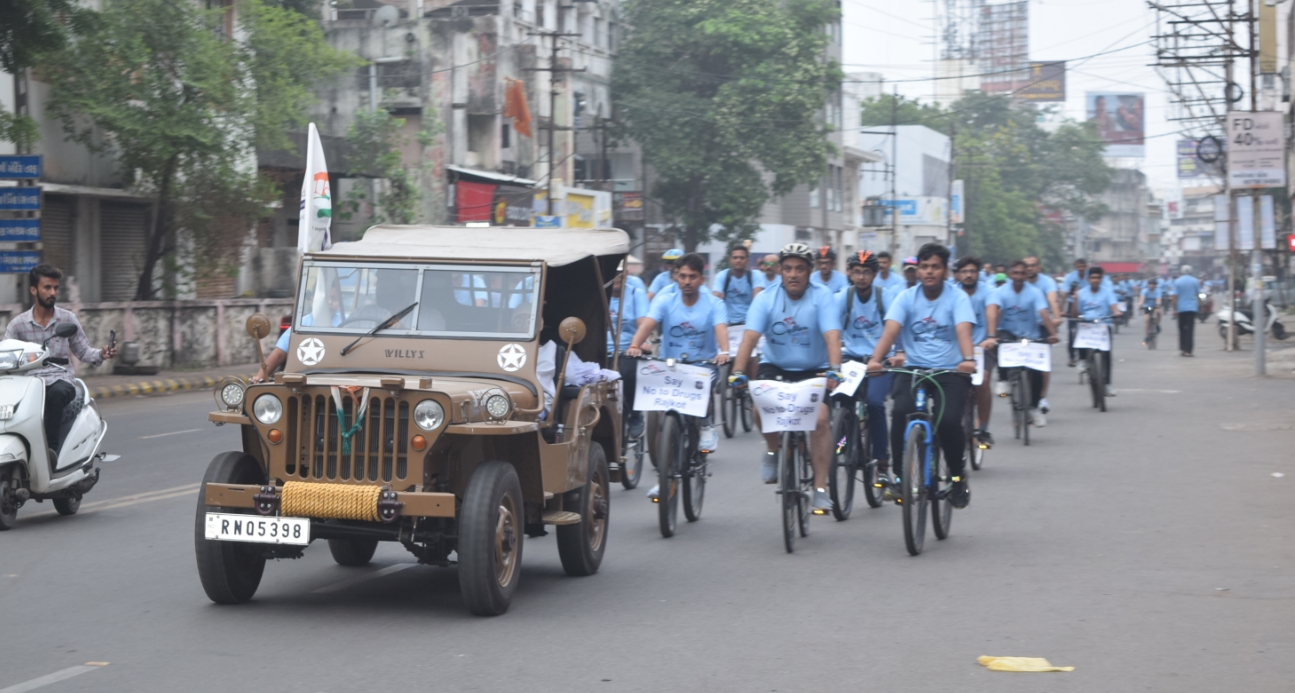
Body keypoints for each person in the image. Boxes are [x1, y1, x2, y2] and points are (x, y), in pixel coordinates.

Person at [730, 242, 844, 513]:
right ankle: (773, 450)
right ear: (780, 271)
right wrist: (736, 372)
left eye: (800, 269)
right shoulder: (766, 298)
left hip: (814, 370)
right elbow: (750, 338)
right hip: (775, 367)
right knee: (757, 406)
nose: (794, 274)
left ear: (809, 272)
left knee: (820, 421)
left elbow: (832, 336)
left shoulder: (823, 296)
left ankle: (819, 488)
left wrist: (835, 368)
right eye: (788, 269)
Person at [867, 243, 975, 509]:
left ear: (945, 271)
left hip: (950, 371)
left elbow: (963, 331)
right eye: (924, 267)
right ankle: (901, 476)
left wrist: (968, 360)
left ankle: (957, 475)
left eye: (935, 267)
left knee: (949, 422)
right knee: (900, 411)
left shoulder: (957, 297)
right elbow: (891, 331)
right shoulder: (906, 298)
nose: (929, 272)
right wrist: (875, 359)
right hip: (912, 368)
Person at [627, 253, 730, 497]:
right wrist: (635, 344)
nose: (686, 281)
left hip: (703, 365)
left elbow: (720, 329)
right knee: (666, 421)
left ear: (701, 279)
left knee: (702, 383)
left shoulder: (714, 304)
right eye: (682, 276)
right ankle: (664, 477)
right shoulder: (666, 300)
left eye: (692, 277)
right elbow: (648, 324)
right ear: (676, 277)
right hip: (671, 367)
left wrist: (724, 351)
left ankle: (706, 427)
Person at [5, 264, 117, 449]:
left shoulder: (67, 319)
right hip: (28, 385)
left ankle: (51, 452)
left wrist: (102, 354)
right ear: (34, 290)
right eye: (47, 287)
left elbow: (83, 351)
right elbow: (7, 354)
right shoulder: (18, 325)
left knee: (55, 395)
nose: (52, 292)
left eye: (55, 288)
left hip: (59, 380)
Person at [836, 250, 894, 478]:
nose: (861, 277)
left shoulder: (884, 297)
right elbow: (829, 325)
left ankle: (881, 461)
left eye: (866, 272)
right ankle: (840, 443)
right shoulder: (843, 297)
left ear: (875, 274)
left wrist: (896, 353)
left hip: (879, 362)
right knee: (840, 402)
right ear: (849, 273)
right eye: (857, 272)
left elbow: (893, 326)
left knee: (874, 404)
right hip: (850, 359)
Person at [985, 261, 1058, 427]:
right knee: (1002, 344)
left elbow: (1044, 314)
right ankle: (1003, 379)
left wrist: (1053, 334)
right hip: (1008, 331)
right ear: (1011, 275)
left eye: (1021, 273)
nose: (1018, 277)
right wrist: (991, 335)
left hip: (1029, 335)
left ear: (1026, 275)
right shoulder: (1001, 292)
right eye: (1015, 273)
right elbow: (994, 313)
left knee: (1037, 373)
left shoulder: (1035, 292)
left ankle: (1034, 407)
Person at [954, 256, 998, 446]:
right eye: (964, 271)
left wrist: (990, 335)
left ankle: (983, 428)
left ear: (978, 274)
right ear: (958, 274)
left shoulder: (989, 291)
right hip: (955, 349)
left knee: (984, 380)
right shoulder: (951, 292)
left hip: (981, 347)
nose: (969, 275)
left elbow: (991, 312)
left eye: (972, 271)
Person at [609, 269, 649, 440]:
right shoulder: (598, 293)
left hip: (628, 349)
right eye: (613, 271)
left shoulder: (635, 293)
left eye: (619, 272)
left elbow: (643, 322)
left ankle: (635, 415)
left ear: (625, 273)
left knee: (629, 372)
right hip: (601, 350)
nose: (616, 276)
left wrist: (642, 342)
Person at [1070, 266, 1122, 396]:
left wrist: (1116, 312)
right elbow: (1075, 313)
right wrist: (1075, 299)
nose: (1095, 280)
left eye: (1098, 278)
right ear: (1088, 279)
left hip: (1103, 326)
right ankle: (1081, 360)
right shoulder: (1081, 293)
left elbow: (1113, 306)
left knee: (1107, 355)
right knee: (1078, 332)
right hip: (1087, 326)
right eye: (1093, 278)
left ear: (1101, 279)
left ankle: (1107, 384)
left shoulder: (1107, 292)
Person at [1022, 256, 1060, 413]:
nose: (1029, 268)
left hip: (1041, 325)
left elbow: (1052, 301)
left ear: (1039, 267)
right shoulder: (1017, 284)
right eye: (1026, 266)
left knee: (1042, 364)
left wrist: (1057, 317)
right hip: (1020, 327)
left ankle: (1042, 397)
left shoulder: (1047, 283)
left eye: (1033, 266)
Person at [712, 244, 762, 325]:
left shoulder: (755, 275)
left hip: (749, 323)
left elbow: (759, 301)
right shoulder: (722, 275)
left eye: (742, 258)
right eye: (735, 258)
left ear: (747, 260)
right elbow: (715, 300)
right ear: (730, 260)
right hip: (727, 323)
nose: (738, 260)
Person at [1171, 264, 1201, 356]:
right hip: (1192, 308)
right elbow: (1198, 294)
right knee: (1190, 330)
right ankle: (1189, 350)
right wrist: (1200, 305)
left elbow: (1175, 297)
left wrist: (1174, 309)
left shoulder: (1177, 282)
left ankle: (1183, 349)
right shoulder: (1195, 281)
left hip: (1181, 308)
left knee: (1182, 329)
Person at [1139, 277, 1163, 345]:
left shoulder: (1158, 291)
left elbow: (1159, 300)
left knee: (1158, 312)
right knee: (1147, 320)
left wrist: (1158, 304)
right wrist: (1140, 305)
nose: (1152, 285)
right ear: (1148, 285)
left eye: (1153, 284)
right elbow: (1142, 299)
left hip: (1155, 306)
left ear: (1155, 285)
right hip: (1148, 307)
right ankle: (1146, 336)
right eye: (1150, 284)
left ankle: (1157, 324)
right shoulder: (1145, 291)